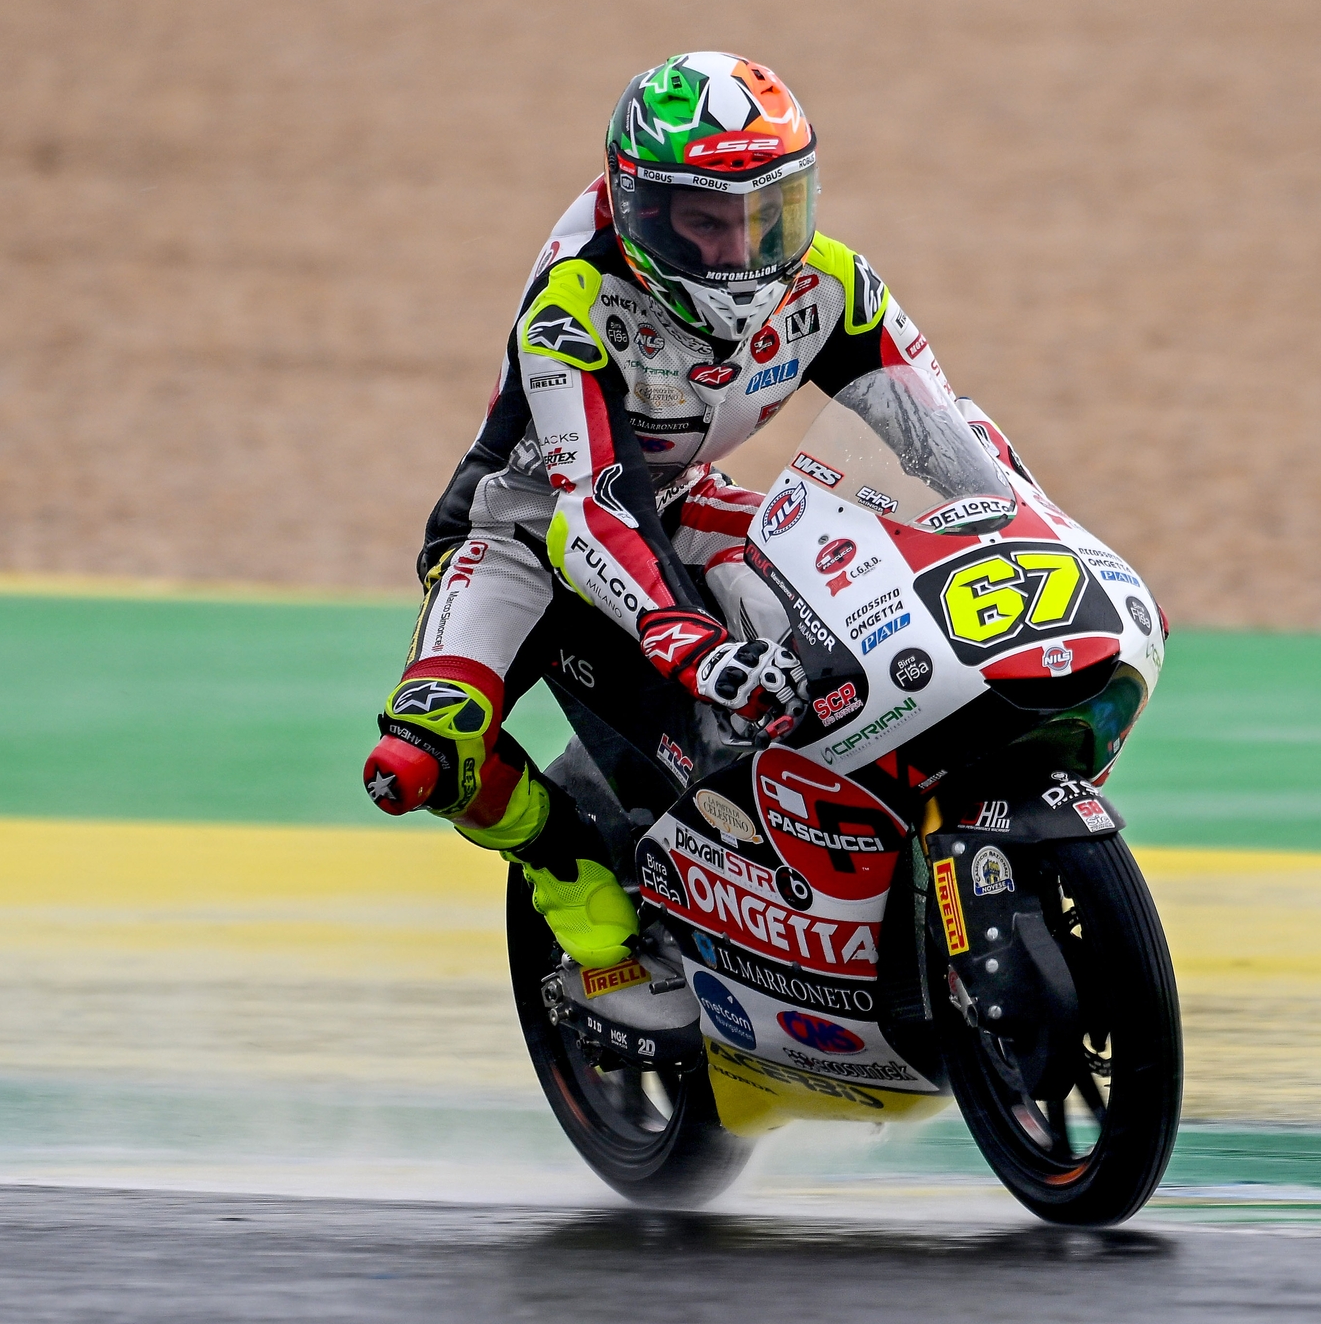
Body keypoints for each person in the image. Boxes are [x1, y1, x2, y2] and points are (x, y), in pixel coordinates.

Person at [361, 52, 1004, 971]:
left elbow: (948, 436)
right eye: (707, 220)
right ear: (646, 212)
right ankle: (562, 867)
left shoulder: (831, 284)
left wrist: (1037, 536)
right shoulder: (575, 308)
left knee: (849, 599)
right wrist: (695, 647)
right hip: (521, 528)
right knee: (422, 753)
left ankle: (852, 848)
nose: (741, 250)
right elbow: (594, 508)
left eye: (768, 212)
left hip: (673, 499)